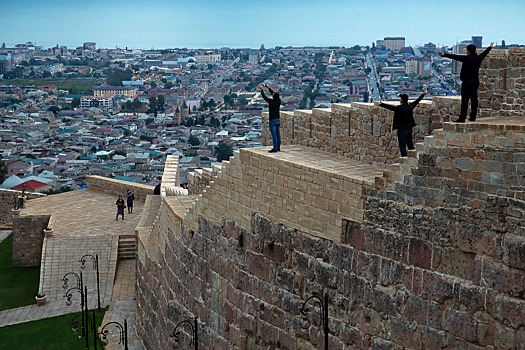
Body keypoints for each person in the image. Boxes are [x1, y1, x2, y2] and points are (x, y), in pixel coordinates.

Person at [439, 42, 494, 122]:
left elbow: (455, 57)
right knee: (474, 100)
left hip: (467, 82)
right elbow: (484, 53)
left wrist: (444, 54)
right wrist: (490, 47)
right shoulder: (478, 58)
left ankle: (462, 118)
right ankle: (473, 117)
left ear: (468, 51)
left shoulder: (467, 58)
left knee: (465, 101)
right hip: (475, 81)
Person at [376, 91, 428, 157]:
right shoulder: (410, 107)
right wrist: (422, 95)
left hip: (402, 130)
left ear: (402, 100)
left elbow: (391, 107)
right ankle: (413, 158)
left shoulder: (399, 108)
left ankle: (404, 159)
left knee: (402, 146)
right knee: (410, 145)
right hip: (409, 129)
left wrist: (382, 104)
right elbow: (417, 101)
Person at [259, 83, 281, 153]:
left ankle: (275, 148)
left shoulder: (271, 102)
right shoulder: (278, 101)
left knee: (274, 135)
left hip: (272, 120)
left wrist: (261, 90)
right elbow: (273, 94)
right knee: (278, 134)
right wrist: (268, 88)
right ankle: (278, 147)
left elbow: (264, 97)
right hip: (278, 119)